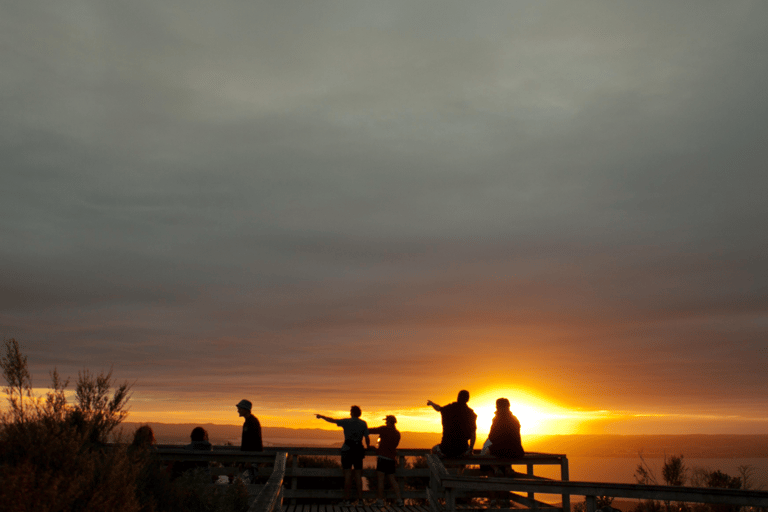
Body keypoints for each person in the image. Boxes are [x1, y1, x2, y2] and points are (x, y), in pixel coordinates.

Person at [316, 406, 370, 505]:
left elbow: (332, 420)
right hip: (358, 451)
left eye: (350, 411)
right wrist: (368, 447)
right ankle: (361, 500)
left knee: (347, 476)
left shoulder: (346, 422)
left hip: (347, 451)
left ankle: (347, 500)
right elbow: (367, 437)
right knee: (358, 476)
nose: (349, 413)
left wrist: (321, 416)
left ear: (352, 413)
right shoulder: (363, 423)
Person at [480, 398, 524, 479]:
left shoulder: (497, 419)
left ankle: (496, 469)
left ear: (497, 407)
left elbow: (491, 437)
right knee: (507, 449)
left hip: (500, 451)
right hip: (516, 451)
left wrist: (486, 444)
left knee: (484, 451)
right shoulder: (515, 419)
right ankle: (508, 468)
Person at [427, 389, 477, 457]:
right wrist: (471, 449)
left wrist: (431, 403)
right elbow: (473, 435)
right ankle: (461, 467)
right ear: (467, 399)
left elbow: (439, 408)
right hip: (462, 449)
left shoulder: (449, 409)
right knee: (467, 452)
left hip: (445, 448)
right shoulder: (471, 414)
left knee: (434, 449)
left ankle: (441, 467)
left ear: (458, 398)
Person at [368, 415, 404, 507]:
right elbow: (392, 447)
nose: (385, 422)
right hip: (391, 459)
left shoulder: (384, 429)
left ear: (388, 422)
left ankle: (380, 501)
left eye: (386, 421)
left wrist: (374, 449)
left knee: (381, 480)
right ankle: (400, 500)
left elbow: (371, 431)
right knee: (393, 480)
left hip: (382, 459)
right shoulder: (397, 434)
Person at [236, 399, 263, 483]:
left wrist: (249, 459)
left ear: (245, 410)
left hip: (250, 459)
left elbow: (253, 442)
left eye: (240, 409)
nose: (238, 411)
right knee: (247, 482)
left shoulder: (252, 422)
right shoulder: (250, 421)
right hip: (249, 458)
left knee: (248, 483)